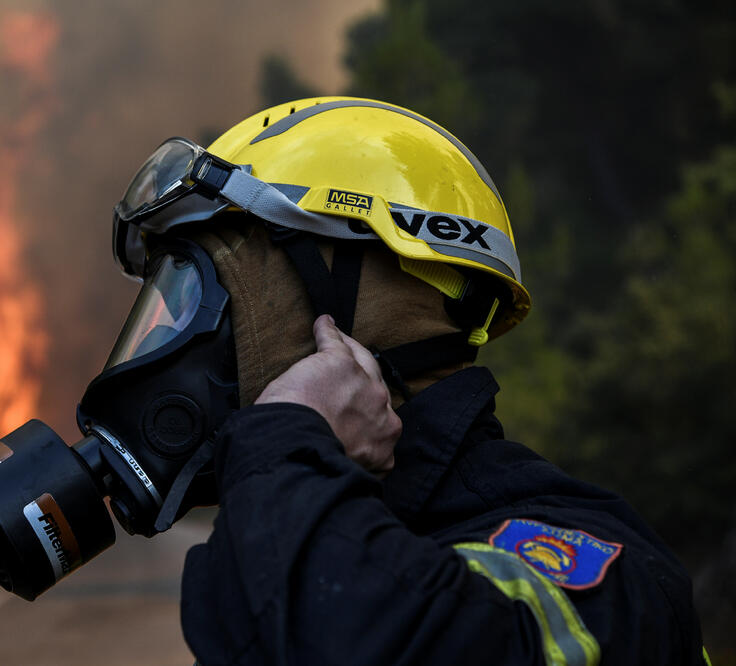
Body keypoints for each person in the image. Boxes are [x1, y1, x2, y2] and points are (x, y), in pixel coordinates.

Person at [110, 97, 709, 665]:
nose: (174, 343)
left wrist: (287, 440)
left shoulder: (604, 573)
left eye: (210, 293)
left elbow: (347, 640)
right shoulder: (299, 520)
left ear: (358, 303)